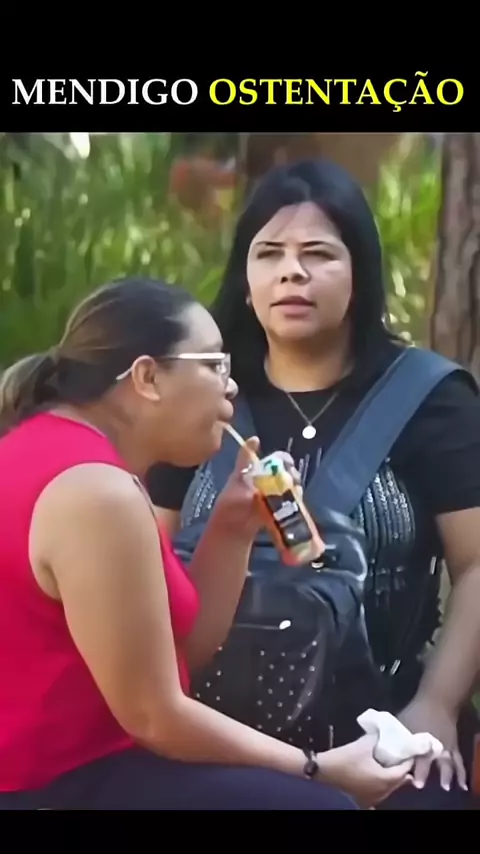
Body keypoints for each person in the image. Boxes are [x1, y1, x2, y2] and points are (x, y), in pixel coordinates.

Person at [0, 276, 414, 810]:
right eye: (215, 363)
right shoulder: (97, 492)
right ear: (148, 377)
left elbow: (182, 654)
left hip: (92, 767)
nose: (231, 386)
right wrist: (317, 769)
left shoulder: (62, 457)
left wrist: (232, 527)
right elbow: (154, 715)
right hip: (52, 785)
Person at [146, 159, 480, 810]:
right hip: (215, 734)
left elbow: (475, 565)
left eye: (319, 254)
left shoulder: (431, 398)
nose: (291, 271)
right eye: (269, 253)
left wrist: (436, 705)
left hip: (383, 731)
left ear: (360, 275)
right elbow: (149, 560)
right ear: (246, 281)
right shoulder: (197, 397)